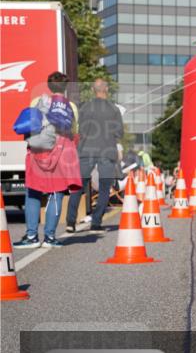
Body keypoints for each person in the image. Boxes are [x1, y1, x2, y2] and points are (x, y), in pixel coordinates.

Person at [14, 72, 81, 248]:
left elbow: (28, 126)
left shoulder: (37, 102)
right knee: (56, 193)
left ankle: (31, 236)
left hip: (38, 152)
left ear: (49, 86)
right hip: (60, 153)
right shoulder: (71, 107)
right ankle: (50, 238)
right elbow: (74, 133)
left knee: (33, 192)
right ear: (65, 87)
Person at [65, 78, 123, 233]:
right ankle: (96, 223)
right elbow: (119, 133)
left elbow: (78, 130)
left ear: (92, 90)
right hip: (106, 151)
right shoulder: (114, 109)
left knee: (78, 187)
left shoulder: (84, 108)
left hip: (86, 151)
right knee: (104, 188)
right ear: (107, 89)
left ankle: (71, 222)